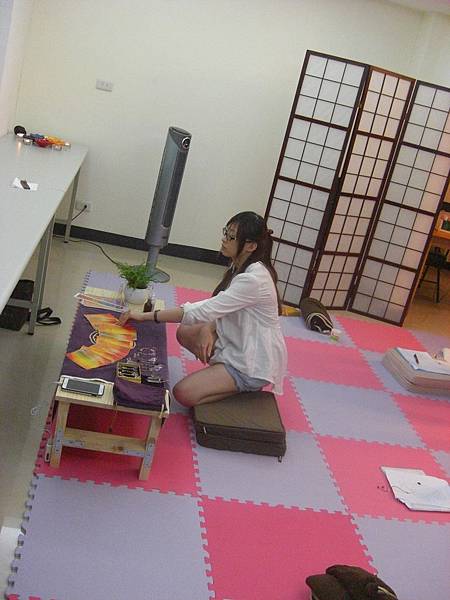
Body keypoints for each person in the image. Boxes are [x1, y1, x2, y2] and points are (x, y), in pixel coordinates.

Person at [119, 211, 287, 407]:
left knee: (182, 393)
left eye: (232, 237)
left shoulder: (253, 279)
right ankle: (220, 377)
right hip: (238, 342)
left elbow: (201, 310)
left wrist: (145, 316)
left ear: (251, 246)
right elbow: (220, 308)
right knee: (186, 332)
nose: (224, 240)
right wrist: (208, 328)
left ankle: (242, 387)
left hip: (251, 364)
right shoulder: (241, 266)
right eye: (226, 232)